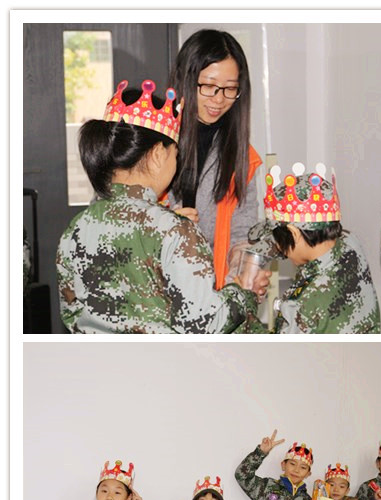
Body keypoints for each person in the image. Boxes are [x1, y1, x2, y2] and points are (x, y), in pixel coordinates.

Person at [57, 78, 265, 333]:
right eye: (175, 154)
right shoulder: (176, 231)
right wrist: (242, 292)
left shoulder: (76, 228)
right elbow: (204, 324)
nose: (176, 163)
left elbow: (71, 312)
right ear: (157, 154)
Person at [168, 29, 263, 291]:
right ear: (185, 79)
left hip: (209, 297)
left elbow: (242, 233)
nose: (219, 99)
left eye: (230, 89)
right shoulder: (149, 138)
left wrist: (245, 274)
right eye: (209, 86)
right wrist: (162, 224)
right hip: (152, 297)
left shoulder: (242, 155)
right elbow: (112, 214)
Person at [246, 164, 381, 333]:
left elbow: (274, 348)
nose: (279, 247)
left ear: (294, 234)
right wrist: (255, 260)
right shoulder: (349, 243)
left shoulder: (303, 304)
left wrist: (245, 306)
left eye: (278, 239)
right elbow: (296, 242)